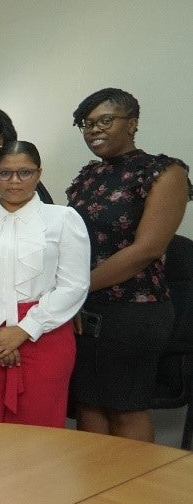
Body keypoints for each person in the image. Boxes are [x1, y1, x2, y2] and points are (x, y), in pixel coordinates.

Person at [66, 88, 192, 442]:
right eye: (87, 124)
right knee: (88, 405)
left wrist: (75, 290)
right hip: (83, 307)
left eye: (105, 120)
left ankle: (131, 490)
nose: (94, 130)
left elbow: (147, 249)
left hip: (135, 310)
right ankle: (95, 490)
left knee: (125, 407)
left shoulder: (164, 172)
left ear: (132, 124)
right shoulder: (89, 176)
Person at [0, 141, 90, 427]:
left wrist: (24, 330)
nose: (14, 181)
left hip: (44, 335)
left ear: (38, 173)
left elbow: (74, 285)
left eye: (24, 172)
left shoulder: (63, 219)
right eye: (5, 173)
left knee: (38, 429)